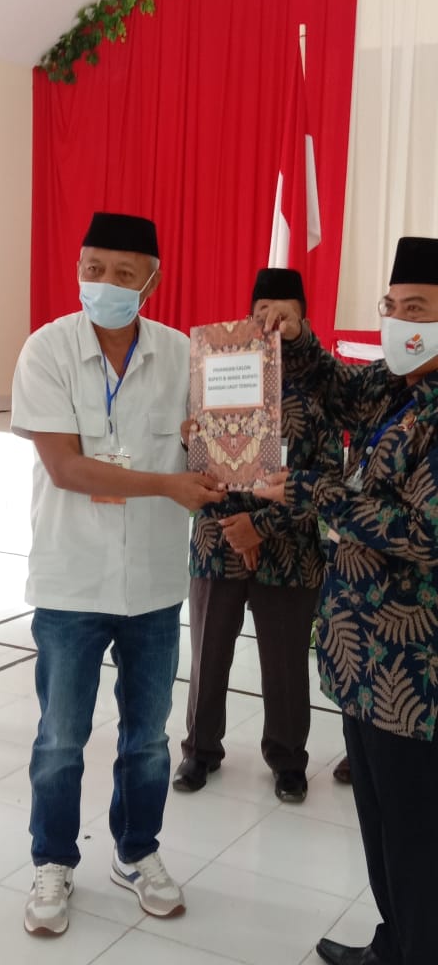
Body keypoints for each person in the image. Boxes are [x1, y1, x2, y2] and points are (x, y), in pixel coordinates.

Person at [11, 211, 225, 935]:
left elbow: (210, 453)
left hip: (154, 584)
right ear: (78, 266)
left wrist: (214, 450)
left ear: (151, 282)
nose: (103, 283)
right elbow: (66, 468)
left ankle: (136, 851)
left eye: (123, 274)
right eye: (93, 268)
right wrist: (169, 484)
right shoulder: (47, 350)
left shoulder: (182, 354)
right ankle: (52, 860)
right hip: (70, 580)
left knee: (149, 739)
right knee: (60, 739)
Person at [255, 237, 438, 965]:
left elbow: (425, 533)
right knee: (383, 824)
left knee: (418, 836)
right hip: (364, 658)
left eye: (417, 309)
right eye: (392, 306)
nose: (398, 322)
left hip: (415, 671)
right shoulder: (396, 386)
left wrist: (315, 493)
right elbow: (336, 385)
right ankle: (395, 944)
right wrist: (298, 337)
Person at [173, 268, 342, 802]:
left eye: (283, 312)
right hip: (218, 541)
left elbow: (326, 477)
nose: (271, 321)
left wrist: (260, 528)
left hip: (289, 549)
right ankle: (200, 751)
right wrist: (234, 527)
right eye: (261, 311)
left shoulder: (321, 385)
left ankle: (289, 760)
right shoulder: (219, 371)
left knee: (286, 663)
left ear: (302, 319)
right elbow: (204, 462)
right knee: (207, 654)